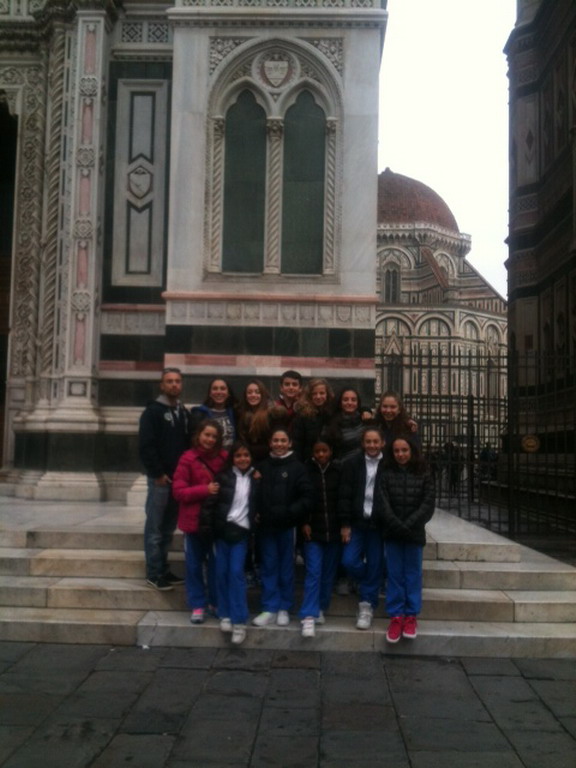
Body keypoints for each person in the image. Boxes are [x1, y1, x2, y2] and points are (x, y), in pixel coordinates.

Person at [377, 434, 436, 643]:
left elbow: (428, 503)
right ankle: (396, 616)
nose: (401, 454)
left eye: (404, 450)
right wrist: (396, 524)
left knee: (413, 574)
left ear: (412, 451)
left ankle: (411, 615)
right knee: (394, 575)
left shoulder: (424, 473)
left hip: (413, 532)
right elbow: (382, 502)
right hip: (393, 532)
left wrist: (409, 524)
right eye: (397, 451)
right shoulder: (386, 473)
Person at [252, 428, 313, 627]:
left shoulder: (298, 467)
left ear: (290, 443)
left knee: (286, 567)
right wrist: (256, 512)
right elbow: (253, 493)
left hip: (288, 526)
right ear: (270, 443)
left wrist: (290, 513)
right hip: (266, 527)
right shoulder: (262, 466)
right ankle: (269, 607)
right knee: (268, 566)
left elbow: (307, 496)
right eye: (276, 440)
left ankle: (284, 607)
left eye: (283, 440)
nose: (279, 444)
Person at [139, 367, 192, 591]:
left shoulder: (183, 412)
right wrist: (158, 473)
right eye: (169, 381)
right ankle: (153, 572)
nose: (174, 385)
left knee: (168, 528)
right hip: (160, 480)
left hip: (177, 481)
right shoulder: (152, 412)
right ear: (162, 385)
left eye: (177, 381)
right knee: (155, 528)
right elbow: (146, 446)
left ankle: (163, 568)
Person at [200, 441, 258, 646]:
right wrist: (207, 529)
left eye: (246, 455)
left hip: (241, 533)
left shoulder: (256, 478)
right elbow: (210, 504)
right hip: (222, 531)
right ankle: (224, 613)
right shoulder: (223, 477)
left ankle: (239, 619)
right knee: (221, 572)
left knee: (236, 573)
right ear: (232, 458)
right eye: (238, 455)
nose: (243, 459)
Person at [172, 419, 227, 625]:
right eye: (207, 435)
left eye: (214, 436)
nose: (210, 439)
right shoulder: (187, 458)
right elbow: (178, 491)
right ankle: (197, 604)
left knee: (216, 565)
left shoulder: (224, 458)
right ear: (199, 435)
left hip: (214, 522)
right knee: (194, 565)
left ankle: (215, 602)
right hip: (193, 522)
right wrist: (205, 490)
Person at [339, 427, 386, 630]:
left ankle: (367, 605)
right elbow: (344, 494)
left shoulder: (388, 464)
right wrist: (345, 523)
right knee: (349, 560)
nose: (372, 445)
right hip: (357, 522)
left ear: (382, 443)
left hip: (377, 524)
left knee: (375, 562)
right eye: (368, 441)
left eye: (376, 441)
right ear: (362, 443)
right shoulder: (352, 463)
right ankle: (370, 581)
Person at [298, 439, 341, 638]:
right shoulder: (306, 470)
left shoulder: (338, 470)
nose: (321, 454)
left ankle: (321, 607)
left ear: (331, 451)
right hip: (313, 531)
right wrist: (304, 521)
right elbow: (301, 498)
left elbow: (344, 498)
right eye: (317, 451)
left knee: (328, 573)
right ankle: (308, 614)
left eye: (325, 450)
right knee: (314, 571)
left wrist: (344, 524)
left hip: (334, 530)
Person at [292, 377, 335, 462]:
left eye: (322, 393)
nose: (318, 397)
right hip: (308, 462)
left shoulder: (333, 413)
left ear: (327, 394)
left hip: (331, 462)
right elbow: (297, 443)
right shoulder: (302, 416)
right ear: (309, 396)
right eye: (314, 394)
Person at [324, 387, 372, 460]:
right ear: (340, 402)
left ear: (358, 403)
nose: (349, 403)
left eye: (353, 400)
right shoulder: (332, 423)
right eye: (345, 400)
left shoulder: (365, 420)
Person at [190, 378, 237, 449]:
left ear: (228, 393)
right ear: (210, 393)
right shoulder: (199, 414)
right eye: (215, 389)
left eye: (222, 389)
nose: (219, 392)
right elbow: (194, 440)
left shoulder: (235, 413)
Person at [236, 379, 275, 463]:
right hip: (245, 461)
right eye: (249, 392)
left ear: (263, 395)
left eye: (257, 392)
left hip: (267, 461)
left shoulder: (272, 415)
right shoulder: (240, 414)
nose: (253, 395)